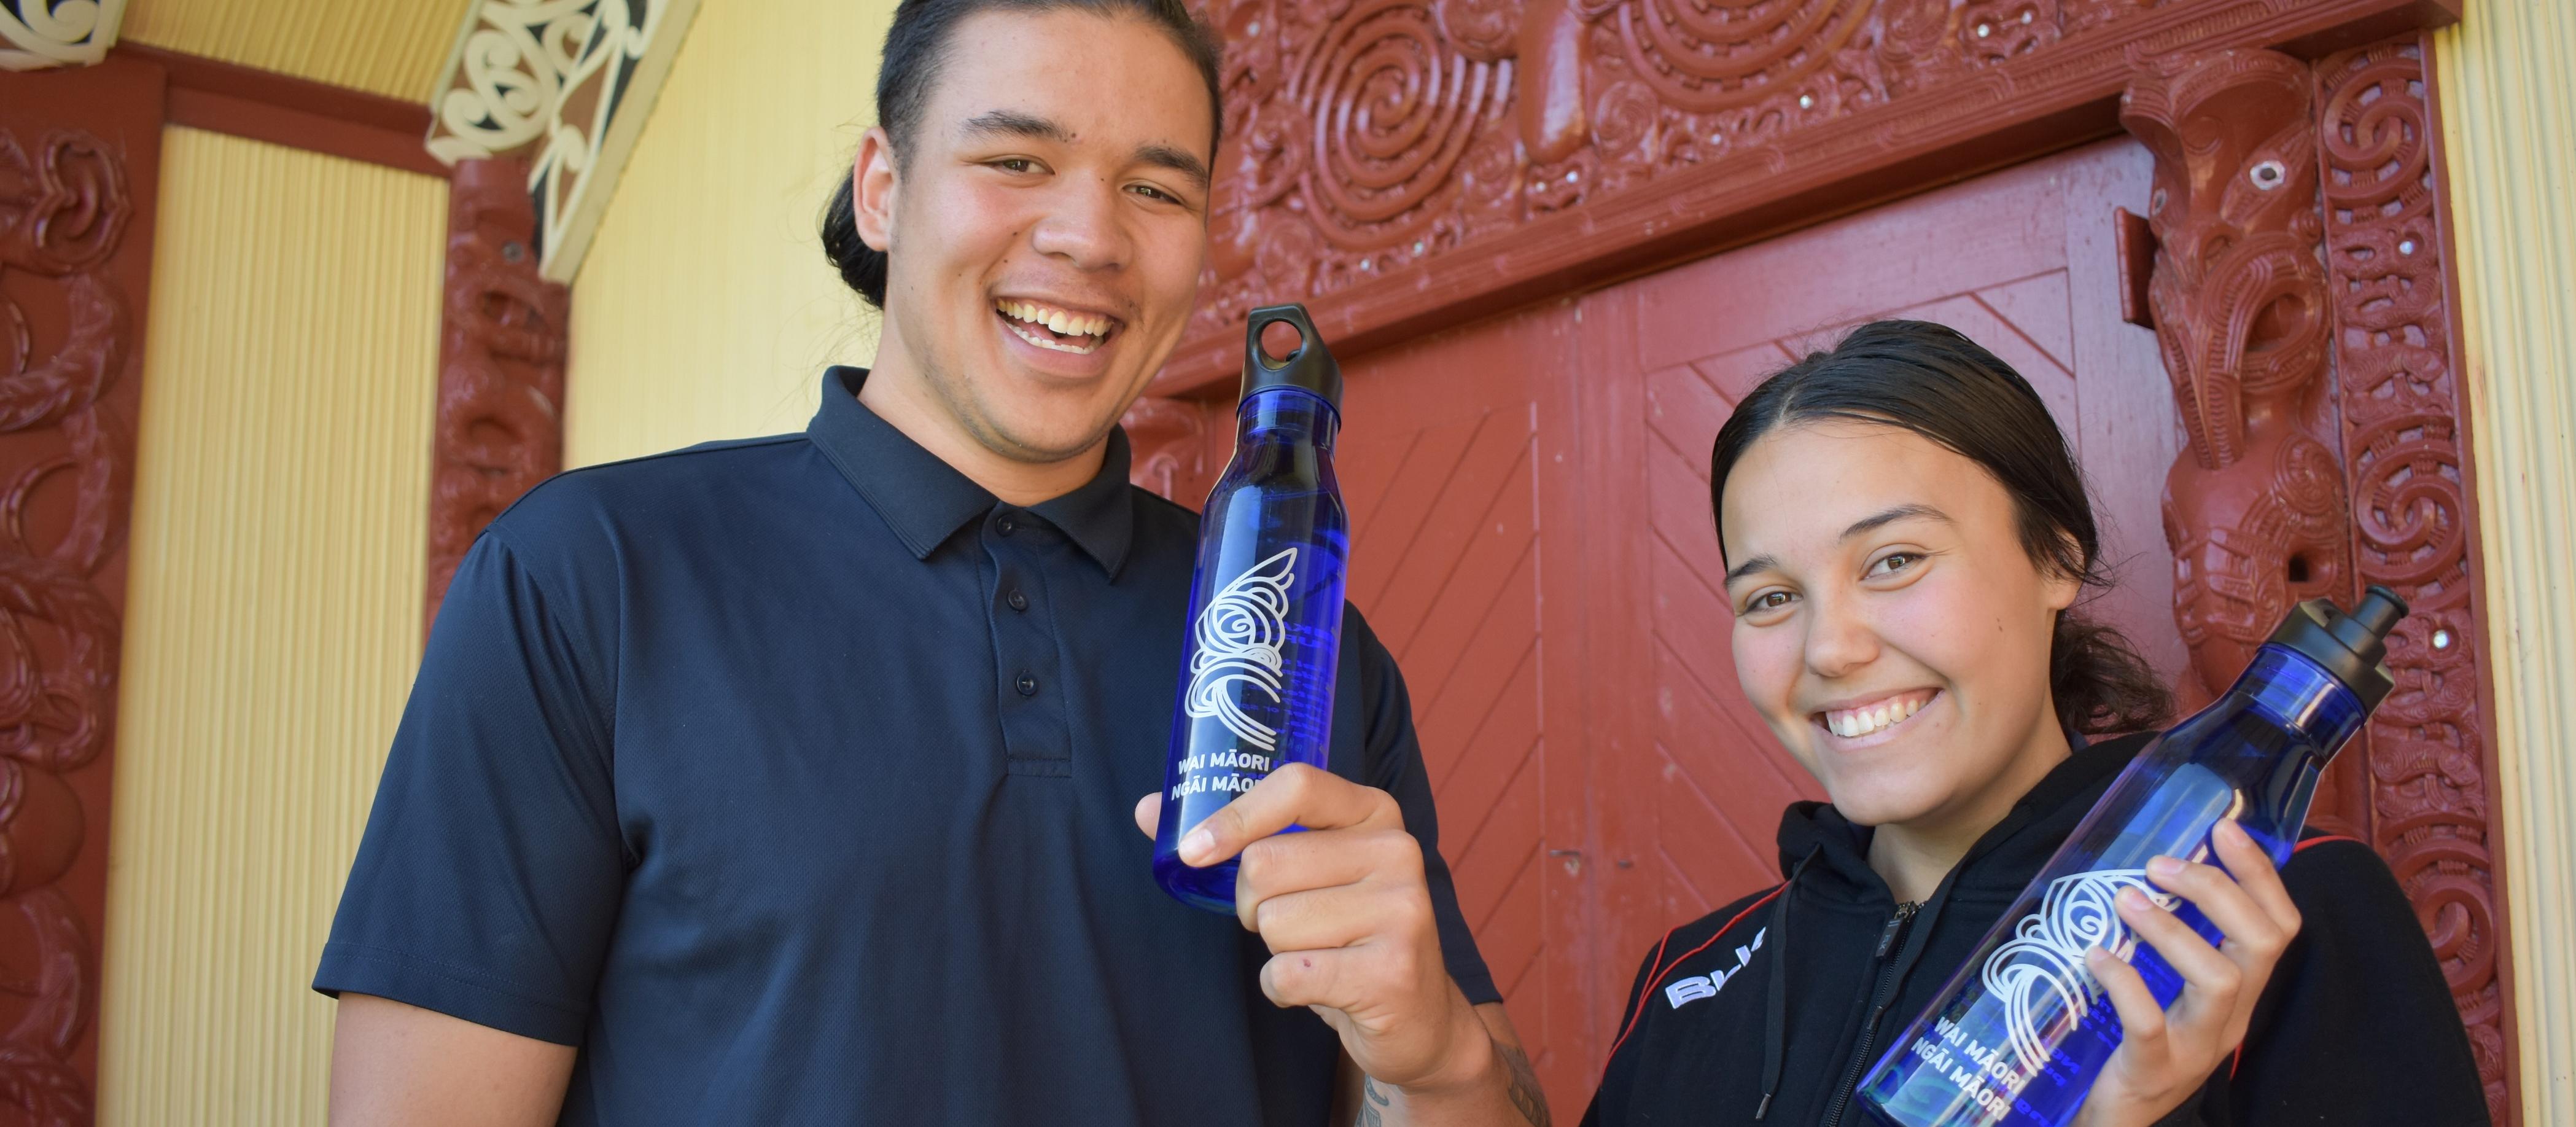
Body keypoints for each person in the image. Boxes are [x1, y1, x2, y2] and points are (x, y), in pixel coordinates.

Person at [313, 0, 1546, 1123]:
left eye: (1157, 191)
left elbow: (1472, 1097)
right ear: (883, 190)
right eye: (1016, 160)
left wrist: (1434, 1062)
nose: (1089, 236)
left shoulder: (1299, 642)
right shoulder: (587, 580)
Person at [1580, 321, 2486, 1126]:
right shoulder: (1690, 978)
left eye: (1894, 560)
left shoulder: (2270, 914)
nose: (1829, 648)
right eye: (1771, 596)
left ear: (2057, 558)